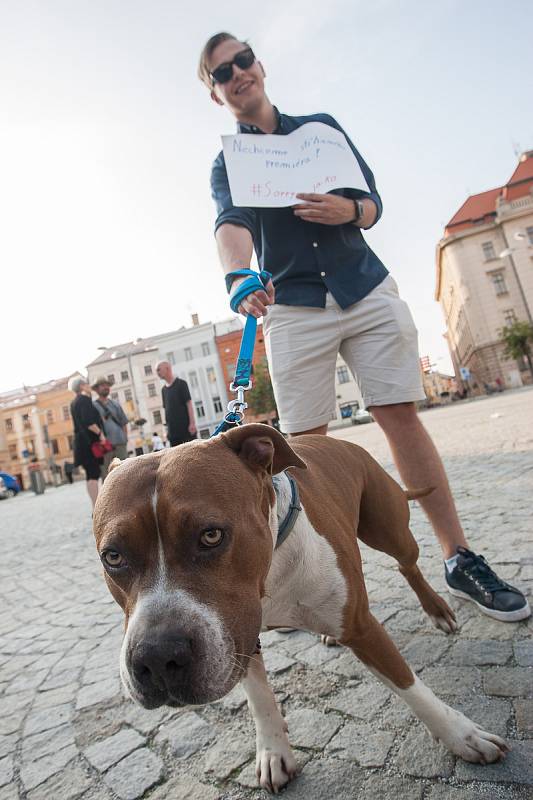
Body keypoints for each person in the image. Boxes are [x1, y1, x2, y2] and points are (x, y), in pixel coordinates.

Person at [199, 32, 530, 623]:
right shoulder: (231, 161)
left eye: (243, 60)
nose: (238, 73)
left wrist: (347, 211)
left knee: (401, 417)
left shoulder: (321, 128)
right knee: (304, 450)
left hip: (363, 284)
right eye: (222, 72)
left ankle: (459, 558)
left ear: (260, 65)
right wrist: (236, 278)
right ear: (215, 91)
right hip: (294, 304)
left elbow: (372, 202)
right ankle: (323, 588)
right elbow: (231, 224)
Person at [68, 376, 106, 509]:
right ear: (81, 386)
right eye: (86, 383)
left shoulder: (74, 402)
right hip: (89, 443)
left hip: (81, 443)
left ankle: (95, 505)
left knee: (90, 474)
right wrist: (101, 434)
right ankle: (97, 507)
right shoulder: (84, 400)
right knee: (93, 474)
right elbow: (89, 422)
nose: (89, 385)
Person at [91, 376, 130, 479]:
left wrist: (125, 438)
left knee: (125, 472)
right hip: (104, 446)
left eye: (107, 385)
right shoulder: (93, 406)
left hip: (120, 443)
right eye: (103, 385)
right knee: (107, 476)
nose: (106, 387)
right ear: (96, 389)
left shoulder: (115, 404)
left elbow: (124, 422)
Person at [155, 361, 197, 446]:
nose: (157, 373)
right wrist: (166, 430)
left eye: (159, 370)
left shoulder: (181, 384)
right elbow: (166, 411)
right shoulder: (163, 390)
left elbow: (189, 404)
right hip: (172, 433)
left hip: (186, 429)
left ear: (167, 368)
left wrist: (192, 423)